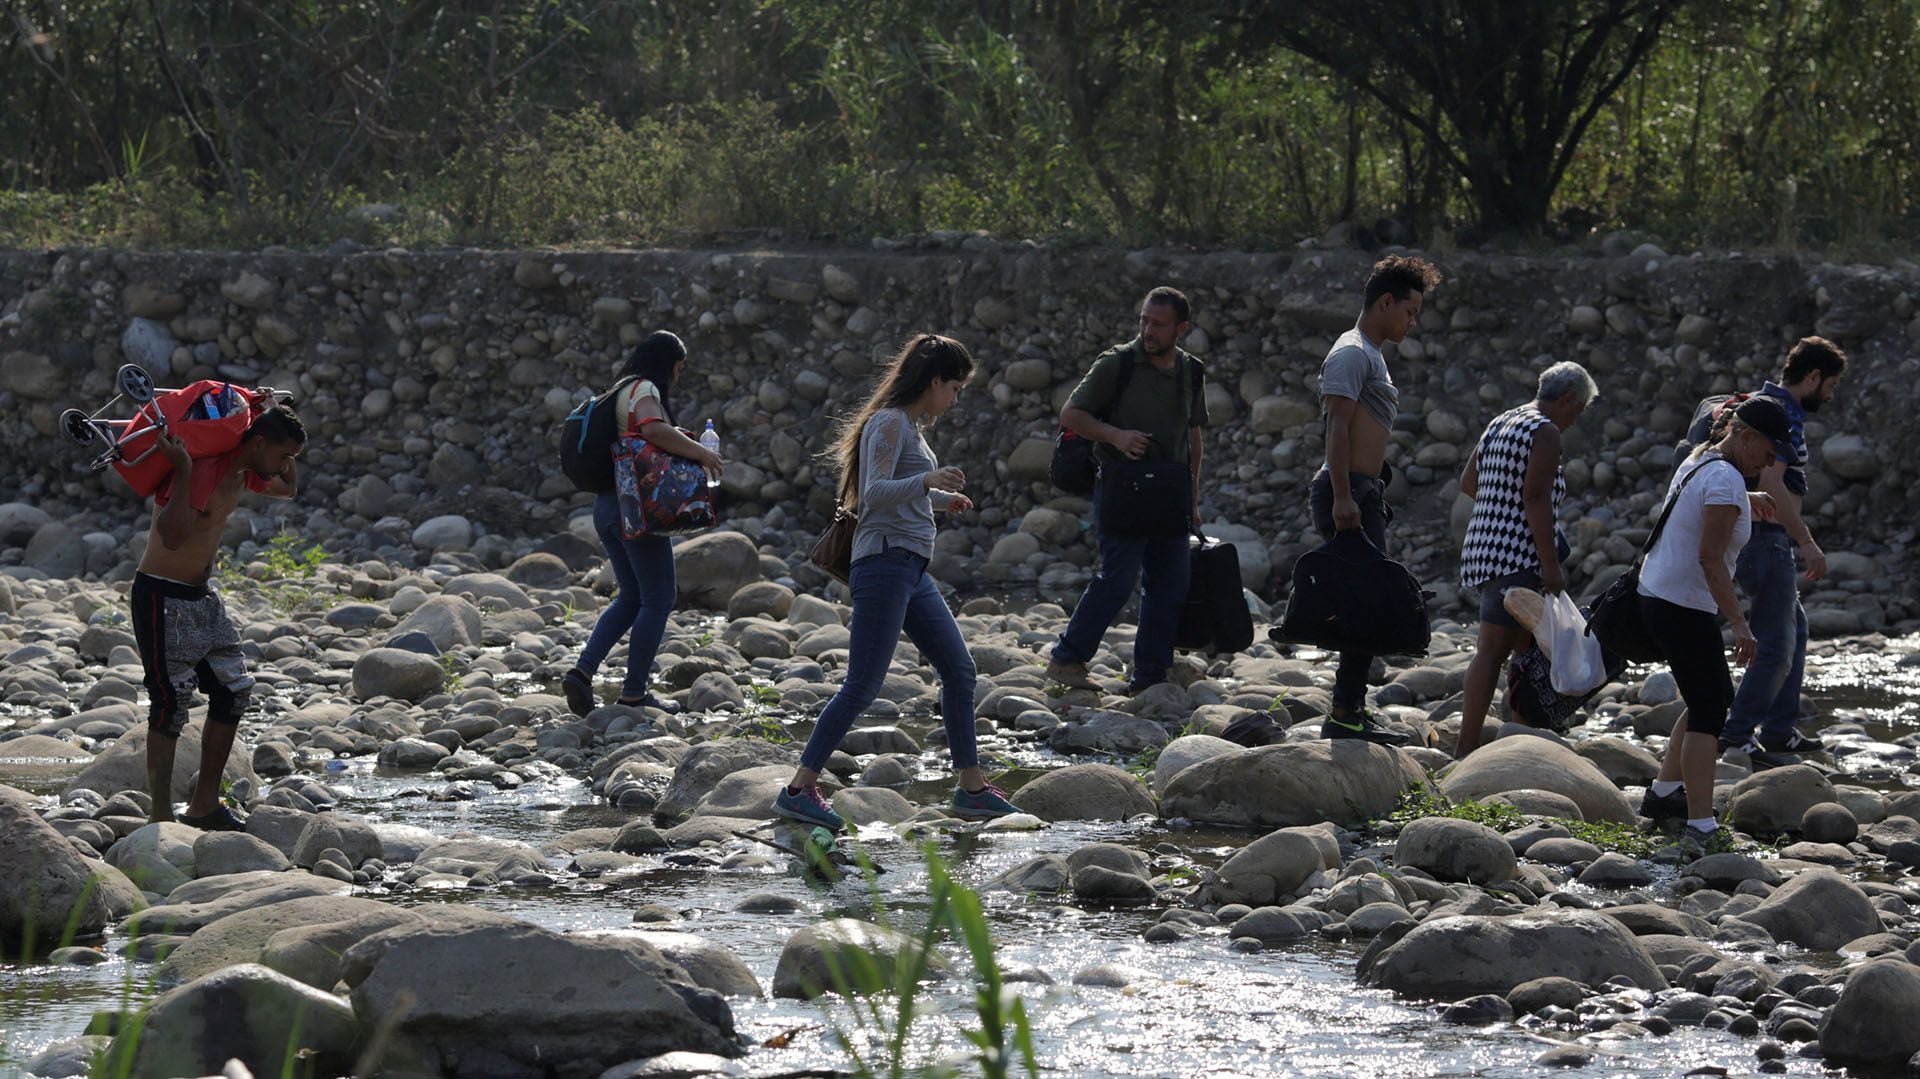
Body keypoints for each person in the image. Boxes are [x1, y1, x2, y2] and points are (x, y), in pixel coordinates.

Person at [775, 334, 1021, 831]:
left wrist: (936, 501)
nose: (955, 399)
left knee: (959, 670)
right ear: (933, 381)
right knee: (862, 684)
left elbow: (900, 495)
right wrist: (927, 483)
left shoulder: (909, 426)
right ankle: (798, 789)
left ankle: (972, 790)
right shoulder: (889, 422)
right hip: (884, 563)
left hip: (910, 568)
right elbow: (873, 494)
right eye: (954, 388)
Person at [1637, 395, 1798, 850]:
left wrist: (1746, 498)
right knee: (1710, 709)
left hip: (1660, 595)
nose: (1772, 462)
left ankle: (1665, 795)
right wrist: (1740, 625)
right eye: (1768, 452)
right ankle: (1701, 825)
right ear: (1745, 436)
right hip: (1681, 605)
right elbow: (1710, 560)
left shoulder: (1702, 458)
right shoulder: (1726, 479)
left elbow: (1702, 497)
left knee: (1707, 696)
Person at [136, 404, 306, 828]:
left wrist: (271, 417)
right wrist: (185, 471)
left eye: (291, 459)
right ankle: (160, 818)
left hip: (200, 597)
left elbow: (286, 489)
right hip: (161, 596)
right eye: (283, 455)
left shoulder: (244, 473)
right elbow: (171, 537)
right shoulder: (202, 469)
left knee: (233, 691)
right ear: (259, 443)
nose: (286, 467)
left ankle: (203, 806)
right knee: (169, 703)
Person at [1045, 287, 1209, 695]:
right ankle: (1067, 658)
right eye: (1144, 321)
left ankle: (1150, 675)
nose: (1148, 330)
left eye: (1158, 324)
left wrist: (1193, 498)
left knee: (1170, 583)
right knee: (1117, 579)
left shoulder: (1191, 370)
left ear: (1181, 328)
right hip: (1123, 486)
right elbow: (1071, 414)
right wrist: (1115, 435)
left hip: (1170, 490)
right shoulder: (1116, 363)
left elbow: (1194, 436)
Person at [1310, 255, 1442, 745]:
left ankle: (1350, 710)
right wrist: (1345, 496)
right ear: (1385, 302)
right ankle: (1344, 713)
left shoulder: (1370, 353)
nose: (1413, 321)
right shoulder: (1351, 352)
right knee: (1365, 604)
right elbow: (1337, 427)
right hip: (1347, 493)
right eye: (1409, 310)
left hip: (1362, 490)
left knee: (1364, 602)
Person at [563, 331, 723, 717]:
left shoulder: (617, 390)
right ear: (665, 363)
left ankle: (582, 673)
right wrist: (702, 453)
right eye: (678, 369)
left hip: (606, 507)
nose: (678, 378)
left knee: (632, 596)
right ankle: (634, 691)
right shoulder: (644, 388)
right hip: (634, 506)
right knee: (659, 597)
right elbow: (652, 428)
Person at [1453, 361, 1597, 757]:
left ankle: (1520, 734)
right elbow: (1535, 498)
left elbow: (1469, 482)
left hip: (1484, 548)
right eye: (1579, 409)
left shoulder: (1503, 421)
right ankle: (1466, 748)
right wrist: (1550, 566)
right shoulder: (1545, 432)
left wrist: (1498, 504)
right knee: (1492, 651)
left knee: (1526, 649)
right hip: (1516, 553)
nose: (1576, 418)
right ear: (1567, 400)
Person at [1716, 336, 1847, 764]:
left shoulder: (1757, 402)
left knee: (1797, 630)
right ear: (1812, 376)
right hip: (1764, 539)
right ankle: (1736, 734)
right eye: (1831, 385)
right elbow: (1772, 484)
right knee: (1775, 644)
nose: (1831, 394)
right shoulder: (1782, 415)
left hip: (1761, 538)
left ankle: (1777, 729)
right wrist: (1807, 542)